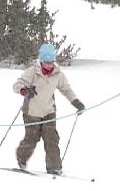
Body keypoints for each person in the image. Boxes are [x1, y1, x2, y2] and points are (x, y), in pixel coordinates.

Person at [12, 43, 84, 174]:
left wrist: (76, 102)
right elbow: (17, 85)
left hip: (48, 111)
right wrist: (25, 90)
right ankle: (21, 157)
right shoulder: (33, 71)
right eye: (46, 62)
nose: (49, 65)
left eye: (51, 62)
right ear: (41, 60)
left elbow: (66, 89)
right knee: (32, 138)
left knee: (52, 139)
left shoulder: (58, 74)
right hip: (31, 111)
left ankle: (54, 167)